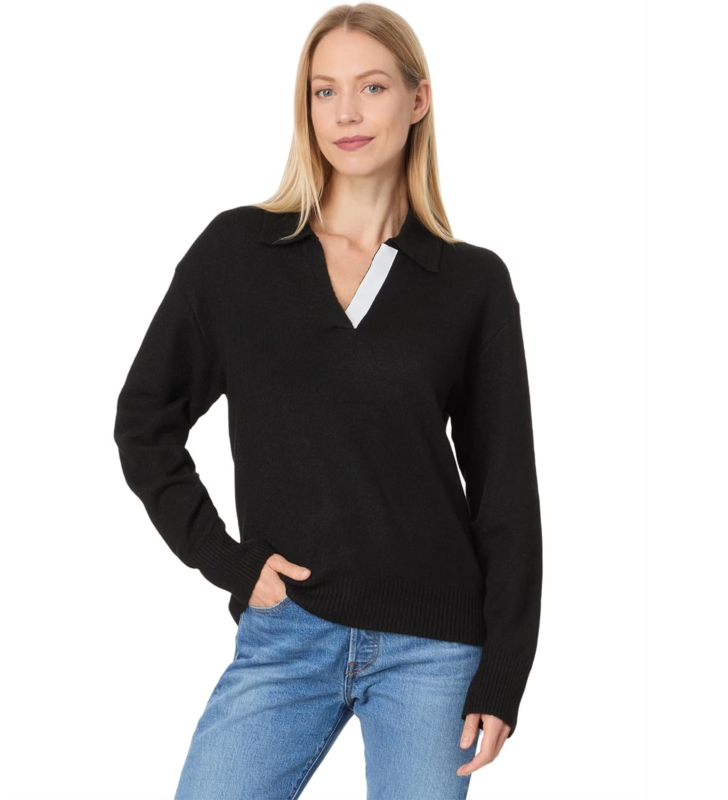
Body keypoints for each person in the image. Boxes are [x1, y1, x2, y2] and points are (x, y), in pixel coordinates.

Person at [113, 4, 543, 799]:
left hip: (433, 649)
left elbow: (506, 493)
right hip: (288, 632)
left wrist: (505, 671)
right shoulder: (239, 253)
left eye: (371, 87)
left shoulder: (471, 284)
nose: (346, 112)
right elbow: (144, 422)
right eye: (324, 91)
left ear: (417, 100)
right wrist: (226, 559)